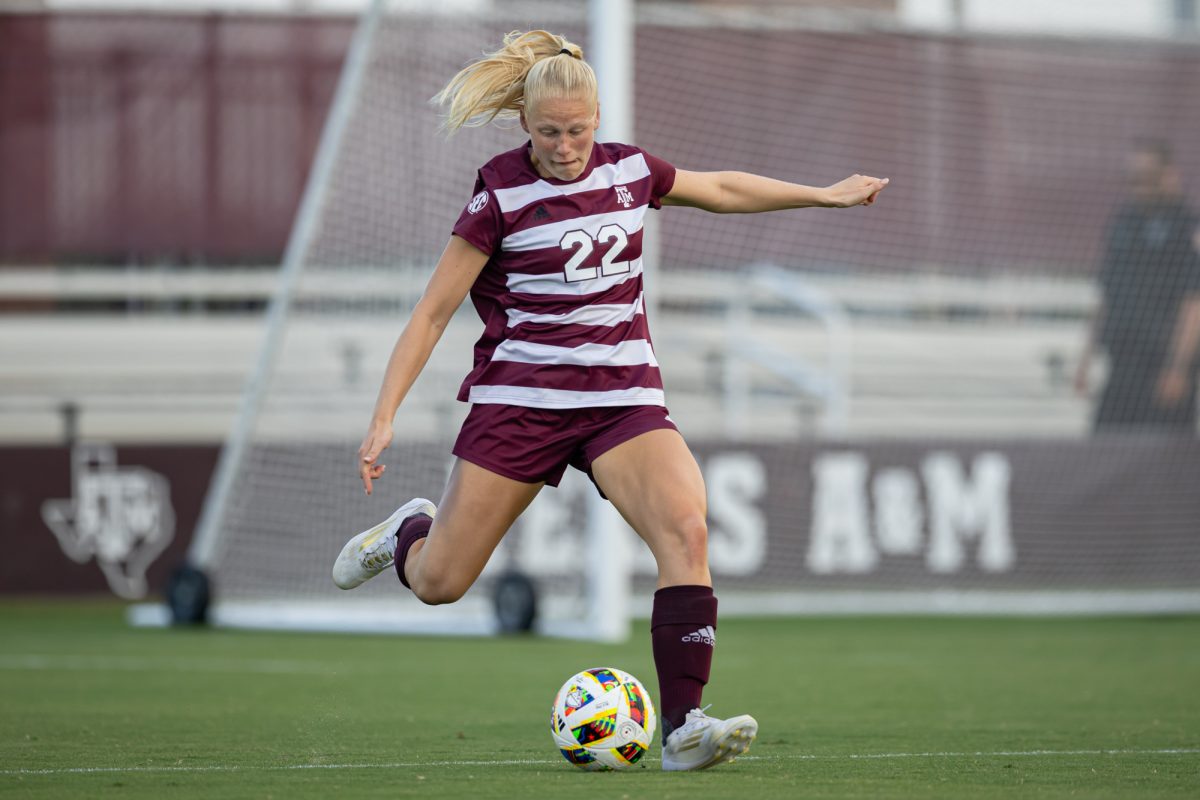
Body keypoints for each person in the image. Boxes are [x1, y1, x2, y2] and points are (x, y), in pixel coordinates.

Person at [332, 30, 888, 771]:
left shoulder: (629, 171)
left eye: (579, 130)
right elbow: (433, 311)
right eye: (549, 132)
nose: (566, 147)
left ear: (598, 118)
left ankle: (685, 727)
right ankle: (407, 534)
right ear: (524, 125)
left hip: (621, 398)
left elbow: (718, 189)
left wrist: (821, 194)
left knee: (687, 532)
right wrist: (383, 416)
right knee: (441, 584)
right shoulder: (498, 192)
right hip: (521, 403)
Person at [1077, 139, 1200, 433]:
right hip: (1122, 360)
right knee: (1105, 448)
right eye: (1133, 179)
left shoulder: (1187, 227)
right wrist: (1085, 357)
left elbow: (1193, 303)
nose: (1139, 186)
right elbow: (1107, 293)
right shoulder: (1123, 223)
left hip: (1162, 363)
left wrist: (1178, 367)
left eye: (1148, 177)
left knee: (1162, 458)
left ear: (1170, 175)